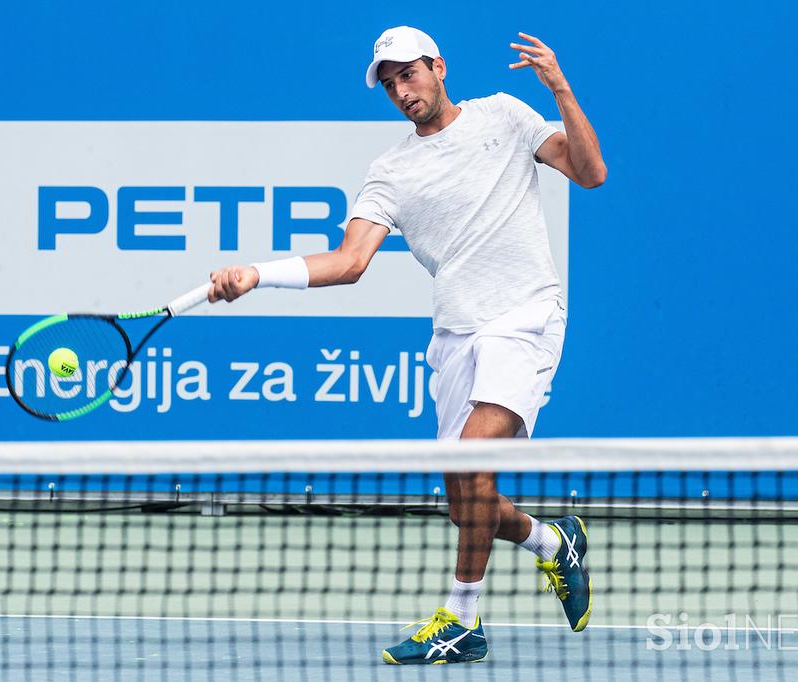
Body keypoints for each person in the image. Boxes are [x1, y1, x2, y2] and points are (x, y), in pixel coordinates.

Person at [207, 25, 606, 665]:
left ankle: (461, 621)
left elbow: (591, 173)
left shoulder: (502, 115)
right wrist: (259, 273)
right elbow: (349, 260)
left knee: (476, 459)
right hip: (455, 332)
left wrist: (560, 88)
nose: (401, 88)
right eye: (389, 81)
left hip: (524, 316)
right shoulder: (391, 171)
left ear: (438, 67)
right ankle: (553, 543)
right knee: (463, 503)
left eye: (408, 73)